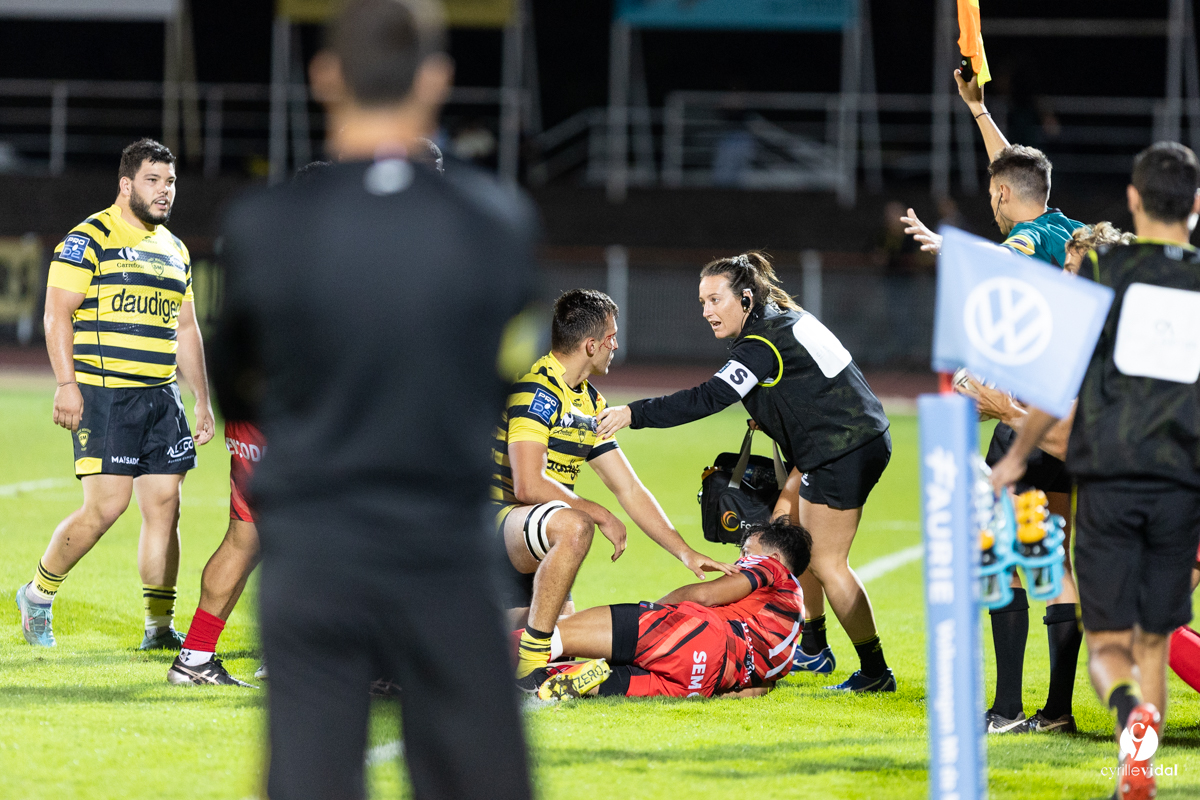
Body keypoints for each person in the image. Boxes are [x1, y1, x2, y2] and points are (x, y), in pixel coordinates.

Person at [210, 1, 534, 797]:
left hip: (316, 555)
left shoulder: (264, 226)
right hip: (443, 552)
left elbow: (239, 384)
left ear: (325, 78)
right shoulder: (494, 222)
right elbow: (501, 376)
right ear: (437, 80)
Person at [991, 141, 1200, 800]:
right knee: (1154, 642)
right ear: (1195, 206)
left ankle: (1128, 729)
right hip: (1179, 487)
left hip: (1111, 480)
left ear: (1134, 200)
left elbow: (1060, 380)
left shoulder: (1108, 275)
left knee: (1109, 646)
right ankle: (1138, 768)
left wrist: (1019, 452)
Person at [598, 252, 896, 693]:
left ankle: (875, 672)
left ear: (746, 297)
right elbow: (818, 381)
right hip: (849, 440)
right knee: (791, 538)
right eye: (702, 302)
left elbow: (708, 397)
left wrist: (632, 413)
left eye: (715, 300)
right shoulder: (786, 319)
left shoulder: (760, 344)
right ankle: (813, 650)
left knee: (828, 563)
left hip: (841, 449)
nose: (707, 312)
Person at [901, 69, 1087, 735]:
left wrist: (947, 246)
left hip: (1026, 421)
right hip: (1077, 422)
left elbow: (1005, 265)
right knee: (1057, 557)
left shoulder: (1019, 241)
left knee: (1004, 552)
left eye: (992, 193)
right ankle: (1057, 711)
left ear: (1003, 197)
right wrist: (979, 114)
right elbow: (1014, 179)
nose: (990, 199)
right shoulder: (1071, 230)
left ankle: (1007, 708)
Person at [15, 138, 215, 650]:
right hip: (106, 395)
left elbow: (187, 330)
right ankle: (38, 595)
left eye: (170, 181)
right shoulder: (90, 237)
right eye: (153, 180)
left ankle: (159, 628)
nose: (164, 191)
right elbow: (56, 312)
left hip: (161, 397)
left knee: (166, 505)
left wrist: (202, 400)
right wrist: (66, 384)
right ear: (126, 184)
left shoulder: (175, 249)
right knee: (106, 508)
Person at [494, 288, 736, 688]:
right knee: (575, 527)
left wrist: (685, 553)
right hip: (492, 523)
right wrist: (599, 514)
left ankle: (418, 649)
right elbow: (528, 483)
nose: (616, 345)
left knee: (565, 636)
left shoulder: (589, 402)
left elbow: (630, 489)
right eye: (611, 337)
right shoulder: (536, 391)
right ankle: (530, 668)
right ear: (591, 345)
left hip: (533, 534)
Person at [533, 517, 811, 701]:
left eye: (747, 552)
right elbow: (754, 691)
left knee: (552, 636)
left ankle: (498, 658)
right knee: (612, 678)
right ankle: (570, 680)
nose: (740, 560)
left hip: (697, 636)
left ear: (773, 557)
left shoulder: (772, 568)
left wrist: (652, 612)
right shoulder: (790, 639)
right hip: (701, 683)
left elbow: (705, 596)